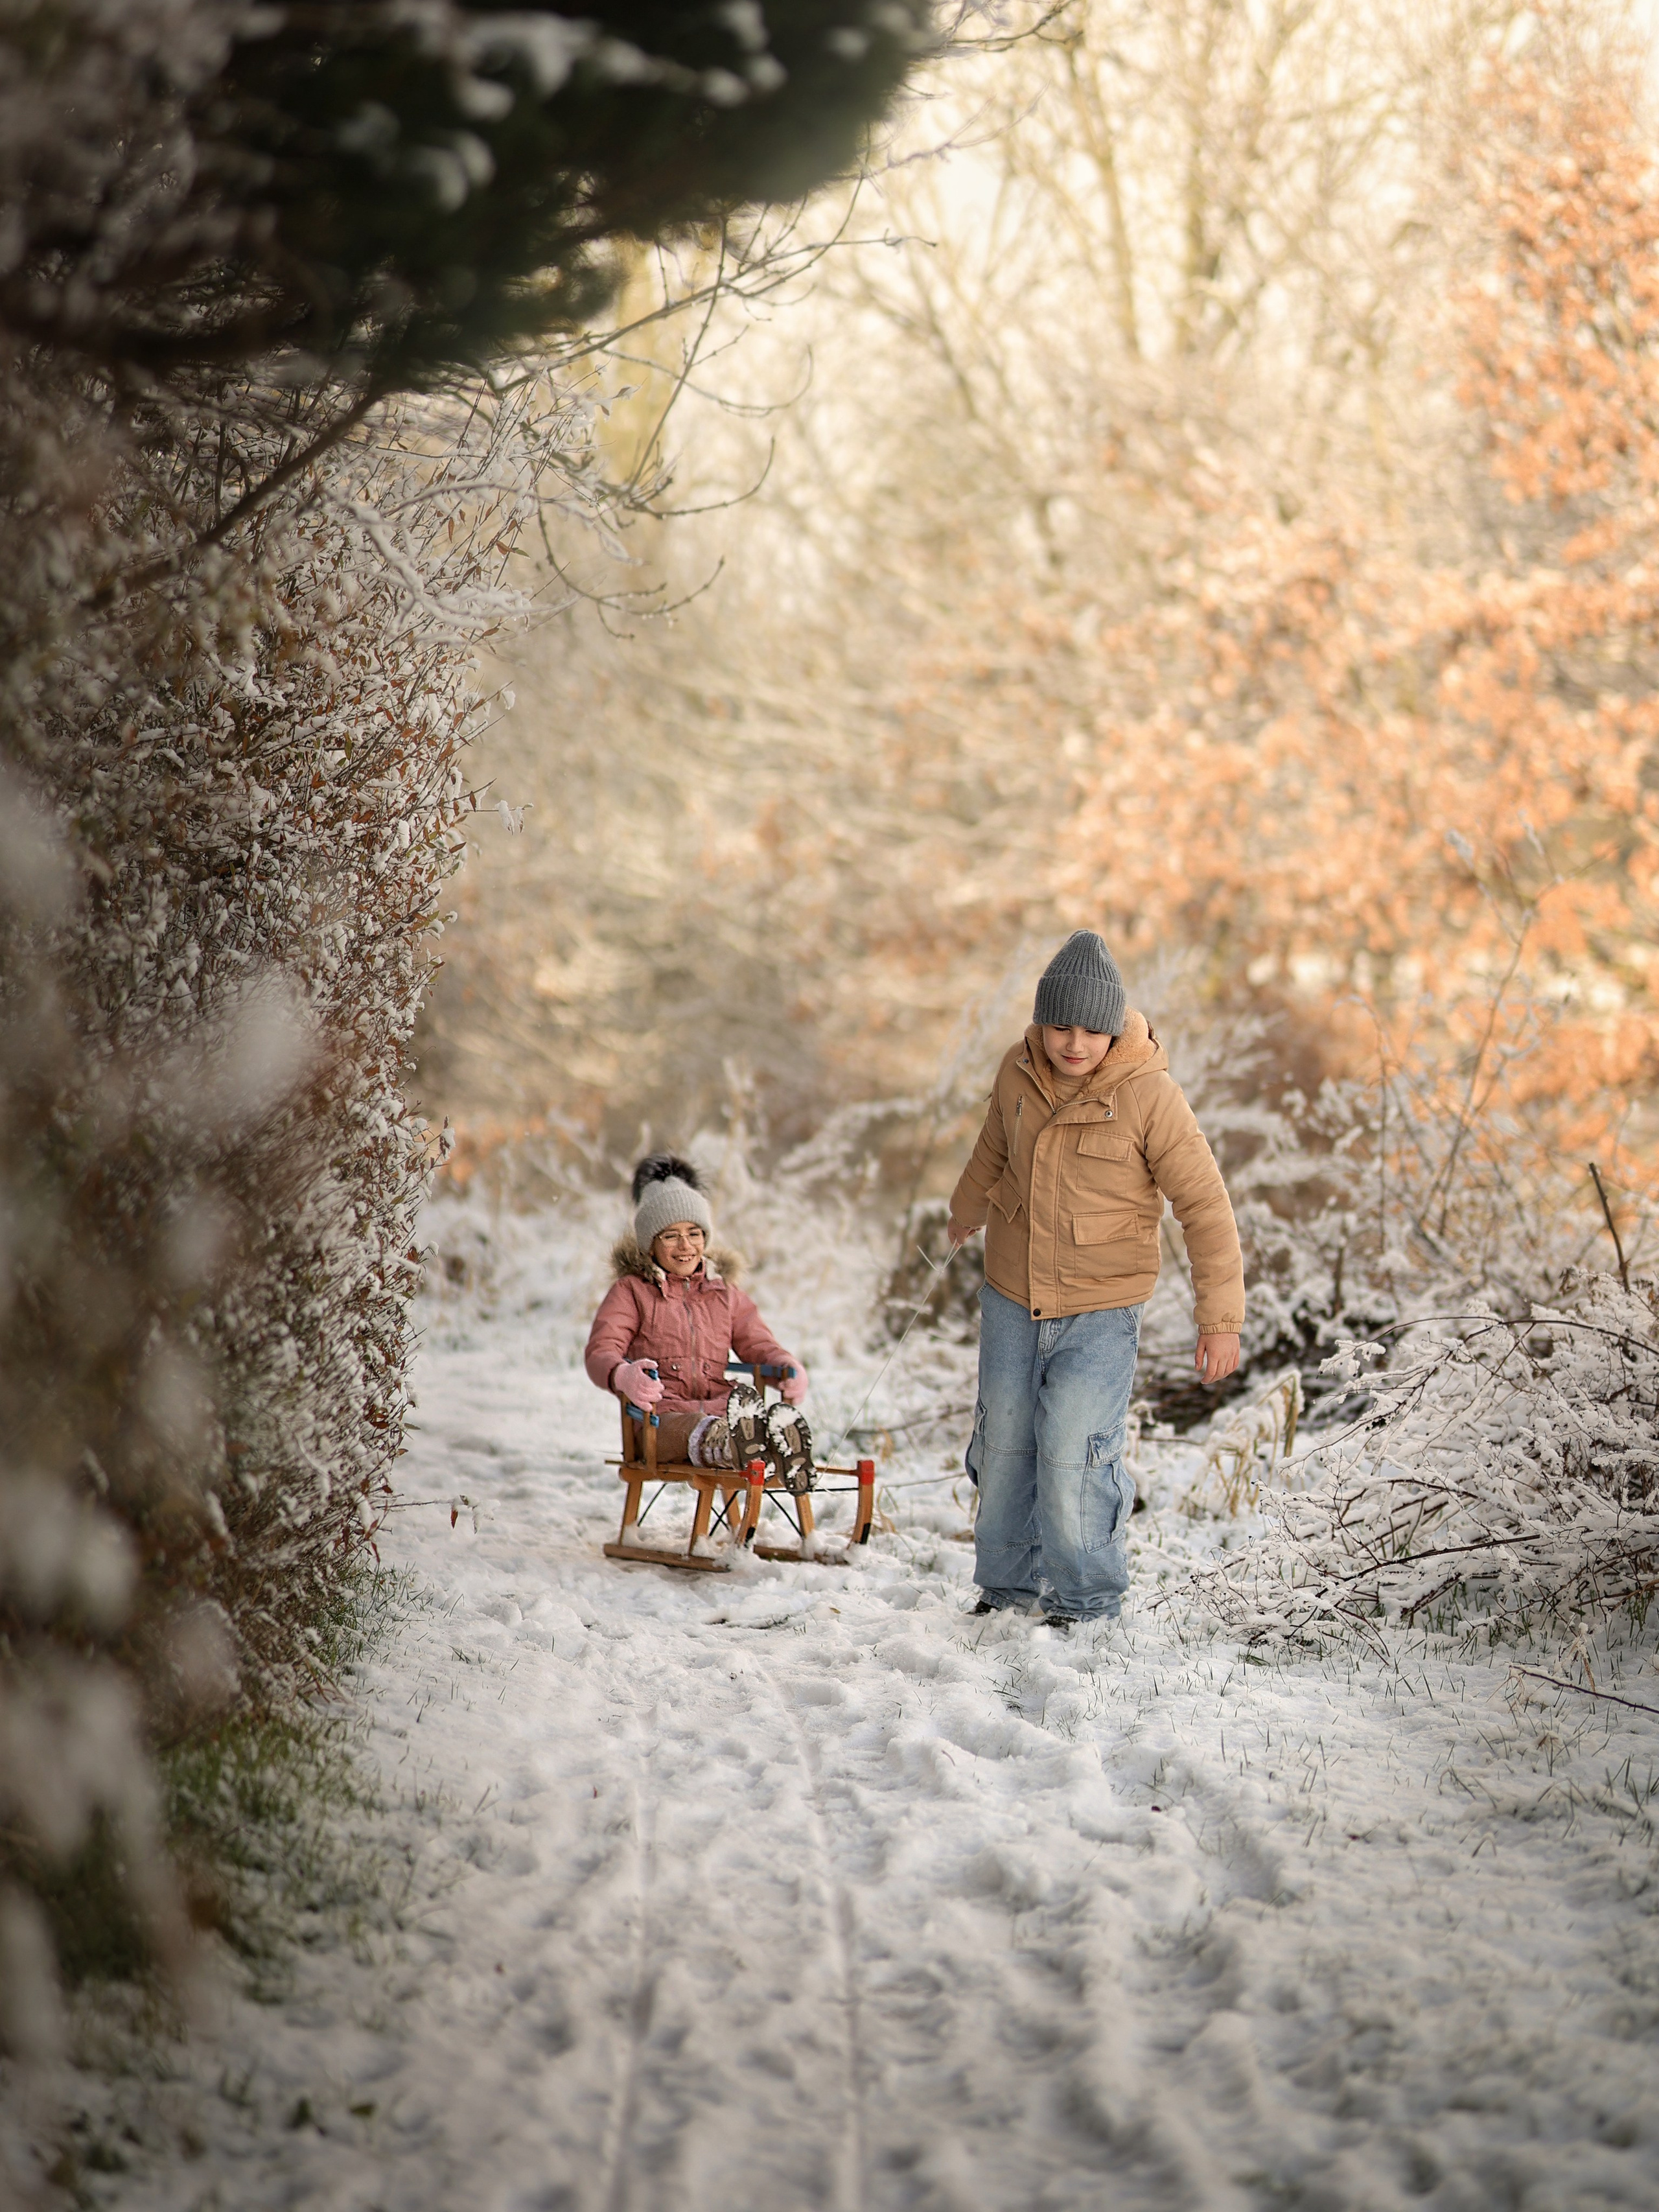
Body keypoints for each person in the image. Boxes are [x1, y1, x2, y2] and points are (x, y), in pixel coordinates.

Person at [947, 931, 1244, 1629]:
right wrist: (964, 1211)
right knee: (1005, 1438)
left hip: (1101, 1306)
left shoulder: (1148, 1095)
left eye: (1090, 1029)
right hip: (1013, 1292)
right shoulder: (1016, 1072)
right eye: (1059, 1025)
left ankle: (1085, 1600)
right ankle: (1006, 1587)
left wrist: (1220, 1318)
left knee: (1076, 1449)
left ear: (1114, 1027)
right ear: (1040, 1021)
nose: (1073, 1043)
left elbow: (1204, 1203)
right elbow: (992, 1146)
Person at [585, 1154, 815, 1491]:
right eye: (670, 1236)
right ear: (650, 1245)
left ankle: (772, 1443)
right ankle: (730, 1443)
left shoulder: (724, 1293)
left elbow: (757, 1343)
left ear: (706, 1238)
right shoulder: (632, 1292)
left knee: (731, 1422)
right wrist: (622, 1374)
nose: (685, 1246)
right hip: (658, 1421)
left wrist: (786, 1364)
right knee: (695, 1426)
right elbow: (600, 1351)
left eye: (694, 1233)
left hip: (725, 1410)